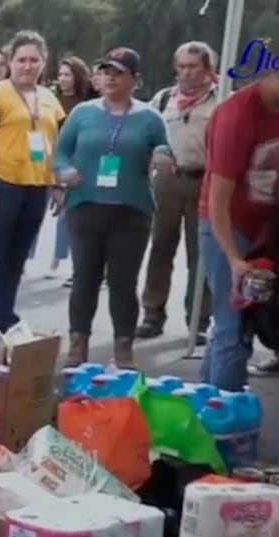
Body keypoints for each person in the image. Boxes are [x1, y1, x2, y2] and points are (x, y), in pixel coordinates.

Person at [54, 48, 174, 368]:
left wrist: (163, 156)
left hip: (131, 211)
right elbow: (60, 152)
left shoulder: (150, 117)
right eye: (105, 71)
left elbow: (164, 147)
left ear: (135, 79)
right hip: (86, 206)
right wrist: (64, 172)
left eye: (118, 73)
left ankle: (124, 347)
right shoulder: (83, 113)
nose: (109, 78)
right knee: (85, 279)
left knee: (123, 282)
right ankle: (78, 342)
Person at [0, 31, 65, 332]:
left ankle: (3, 317)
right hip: (2, 183)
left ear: (43, 63)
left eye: (34, 60)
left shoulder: (48, 97)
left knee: (17, 256)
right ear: (10, 62)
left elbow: (55, 142)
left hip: (36, 186)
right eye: (21, 59)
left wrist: (58, 184)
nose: (27, 66)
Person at [199, 64, 279, 391]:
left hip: (268, 224)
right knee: (236, 325)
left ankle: (205, 404)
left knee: (231, 325)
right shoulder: (237, 115)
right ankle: (224, 423)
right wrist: (234, 260)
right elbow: (217, 200)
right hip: (228, 224)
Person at [136, 41, 219, 343]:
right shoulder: (163, 99)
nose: (185, 73)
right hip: (168, 180)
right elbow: (146, 135)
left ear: (207, 69)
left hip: (205, 180)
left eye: (193, 66)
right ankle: (152, 313)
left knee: (201, 253)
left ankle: (198, 317)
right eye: (181, 66)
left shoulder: (221, 99)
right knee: (160, 247)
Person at [30, 56, 97, 283]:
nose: (62, 79)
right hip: (46, 160)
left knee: (66, 214)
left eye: (67, 74)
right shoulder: (49, 99)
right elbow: (37, 132)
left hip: (74, 162)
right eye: (60, 74)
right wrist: (36, 157)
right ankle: (23, 259)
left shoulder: (86, 103)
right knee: (34, 211)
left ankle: (58, 260)